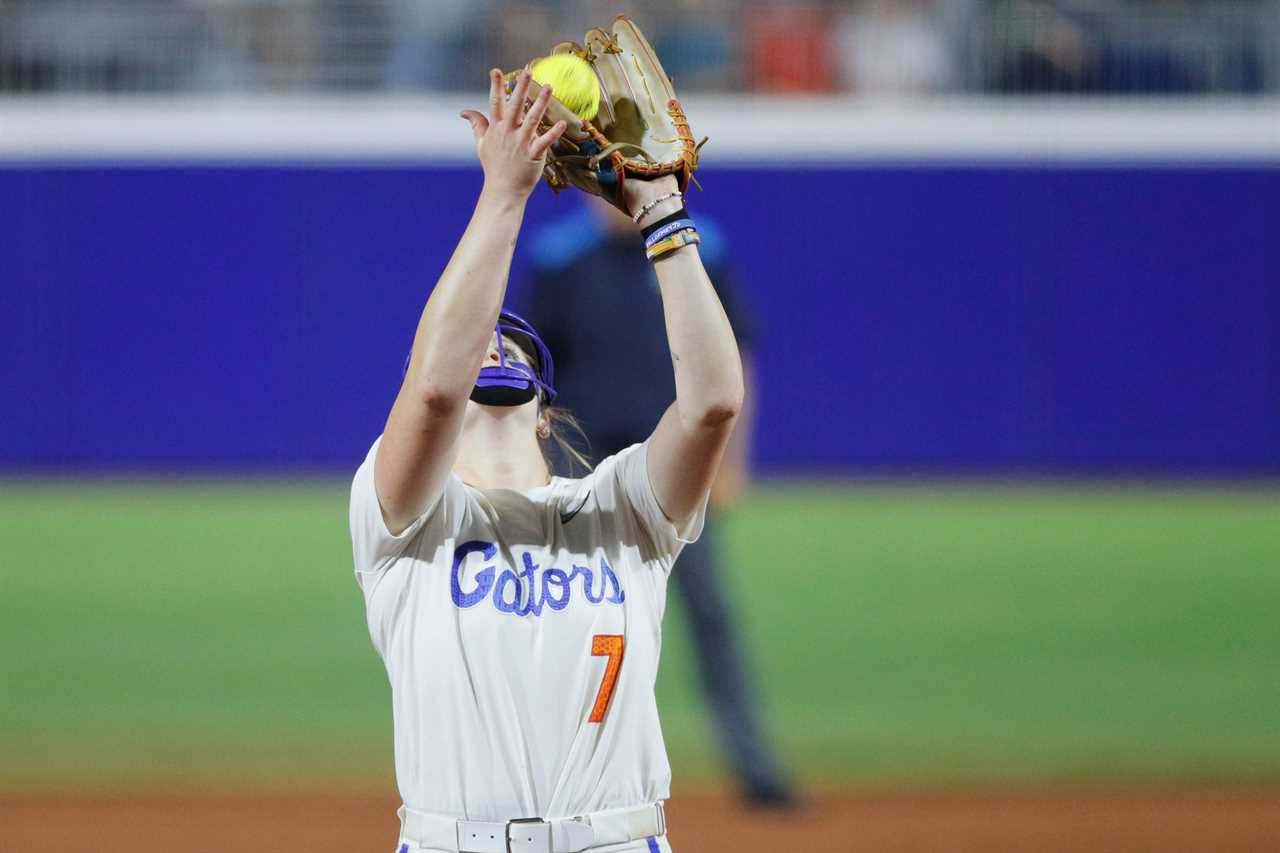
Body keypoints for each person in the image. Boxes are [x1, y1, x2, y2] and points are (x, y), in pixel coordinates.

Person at [348, 69, 744, 853]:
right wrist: (504, 192)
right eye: (472, 344)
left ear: (544, 400)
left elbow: (710, 405)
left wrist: (661, 213)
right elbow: (433, 389)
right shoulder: (400, 519)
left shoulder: (624, 506)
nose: (489, 341)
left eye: (510, 338)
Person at [518, 201, 795, 807]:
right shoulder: (561, 256)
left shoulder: (694, 248)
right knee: (561, 623)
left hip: (675, 474)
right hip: (580, 472)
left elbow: (734, 354)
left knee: (711, 617)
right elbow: (531, 371)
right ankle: (547, 781)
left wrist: (732, 459)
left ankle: (756, 770)